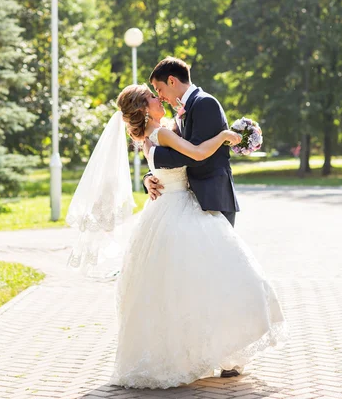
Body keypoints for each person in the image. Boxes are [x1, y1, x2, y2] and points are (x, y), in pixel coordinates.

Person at [107, 81, 286, 389]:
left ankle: (188, 354)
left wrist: (150, 176)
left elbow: (163, 165)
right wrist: (227, 136)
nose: (159, 97)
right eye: (152, 97)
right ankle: (207, 351)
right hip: (179, 210)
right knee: (214, 278)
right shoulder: (160, 133)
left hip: (166, 210)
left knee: (177, 288)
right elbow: (199, 153)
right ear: (142, 109)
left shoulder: (151, 136)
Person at [143, 57, 239, 228]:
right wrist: (150, 176)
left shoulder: (204, 103)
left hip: (212, 198)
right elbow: (184, 148)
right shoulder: (185, 108)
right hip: (194, 200)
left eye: (159, 89)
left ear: (171, 81)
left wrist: (155, 156)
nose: (160, 97)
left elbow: (195, 155)